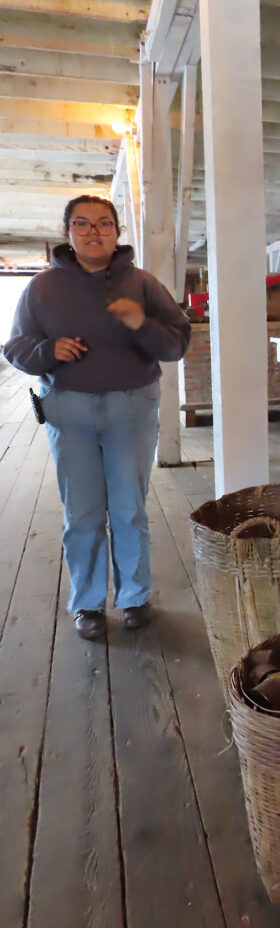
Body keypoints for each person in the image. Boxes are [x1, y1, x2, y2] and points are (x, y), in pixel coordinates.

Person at [4, 195, 191, 639]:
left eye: (104, 224)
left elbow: (176, 344)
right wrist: (49, 350)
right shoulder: (41, 289)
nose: (94, 232)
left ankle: (133, 597)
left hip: (132, 408)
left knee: (129, 507)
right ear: (67, 233)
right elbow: (14, 347)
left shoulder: (143, 285)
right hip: (69, 408)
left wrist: (140, 323)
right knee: (82, 511)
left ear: (117, 232)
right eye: (83, 224)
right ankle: (86, 602)